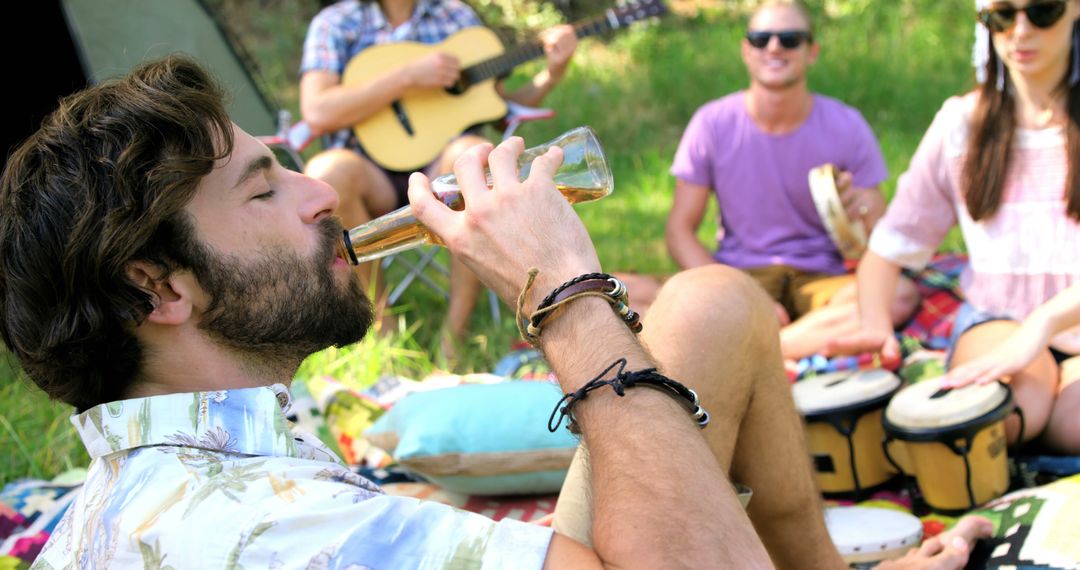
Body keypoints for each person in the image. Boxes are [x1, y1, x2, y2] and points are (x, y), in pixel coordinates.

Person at [0, 57, 989, 568]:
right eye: (265, 191)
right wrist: (563, 294)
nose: (318, 196)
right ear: (157, 287)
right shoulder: (292, 530)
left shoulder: (149, 491)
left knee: (713, 307)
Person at [831, 0, 1080, 453]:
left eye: (1041, 12)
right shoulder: (961, 124)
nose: (1020, 31)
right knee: (1004, 417)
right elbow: (889, 248)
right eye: (1002, 16)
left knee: (1073, 429)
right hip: (997, 318)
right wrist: (875, 324)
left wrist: (1043, 326)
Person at [299, 0, 577, 355]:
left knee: (476, 154)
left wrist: (551, 73)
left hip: (441, 177)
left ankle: (454, 338)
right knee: (327, 172)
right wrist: (407, 78)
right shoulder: (335, 22)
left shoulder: (456, 16)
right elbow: (318, 110)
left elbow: (497, 107)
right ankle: (380, 335)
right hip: (369, 174)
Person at [662, 0, 920, 361]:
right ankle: (795, 341)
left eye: (789, 38)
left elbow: (881, 235)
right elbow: (679, 231)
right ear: (746, 50)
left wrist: (856, 208)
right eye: (761, 37)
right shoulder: (712, 123)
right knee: (640, 297)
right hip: (741, 275)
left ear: (811, 51)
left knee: (899, 294)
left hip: (820, 278)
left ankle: (763, 349)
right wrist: (727, 287)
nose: (774, 47)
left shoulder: (847, 125)